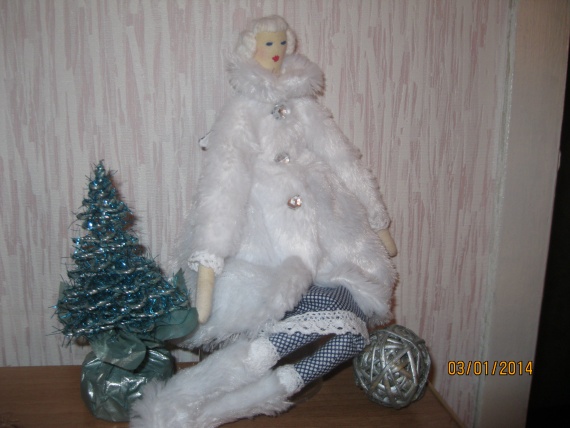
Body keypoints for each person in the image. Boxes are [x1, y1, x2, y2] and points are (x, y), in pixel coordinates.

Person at [131, 15, 397, 428]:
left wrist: (376, 217)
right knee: (266, 322)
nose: (275, 52)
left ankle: (240, 402)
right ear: (250, 49)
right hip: (263, 237)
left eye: (280, 44)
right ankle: (187, 399)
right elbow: (224, 183)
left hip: (325, 236)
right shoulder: (241, 112)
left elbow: (341, 156)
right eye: (267, 44)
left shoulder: (305, 107)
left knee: (349, 327)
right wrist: (209, 262)